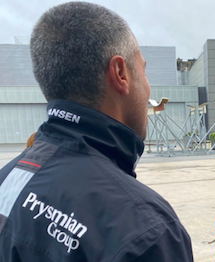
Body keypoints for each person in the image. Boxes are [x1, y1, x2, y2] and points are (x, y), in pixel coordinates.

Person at [0, 2, 193, 261]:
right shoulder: (145, 232)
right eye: (144, 72)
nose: (147, 88)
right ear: (120, 73)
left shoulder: (6, 177)